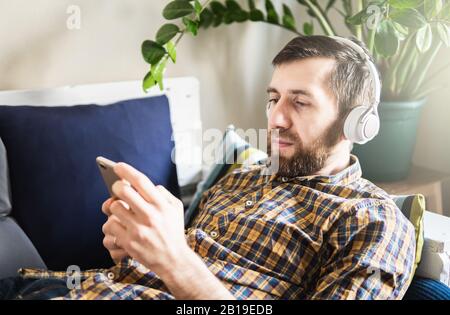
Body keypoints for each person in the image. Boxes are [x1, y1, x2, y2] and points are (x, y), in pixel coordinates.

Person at [0, 35, 416, 300]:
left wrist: (174, 260)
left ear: (357, 122)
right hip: (62, 286)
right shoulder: (242, 178)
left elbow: (185, 272)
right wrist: (135, 250)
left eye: (300, 101)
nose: (275, 118)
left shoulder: (372, 221)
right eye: (274, 98)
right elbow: (181, 263)